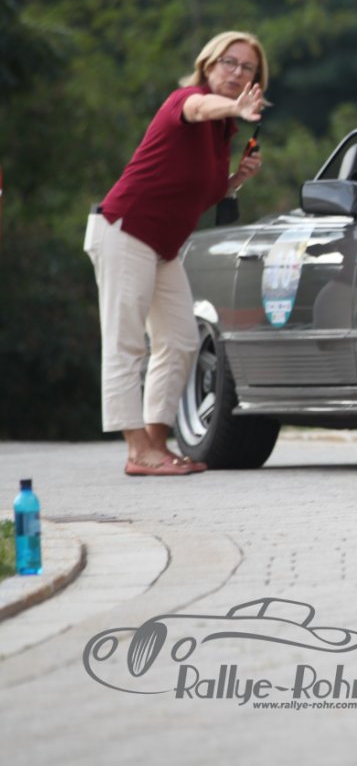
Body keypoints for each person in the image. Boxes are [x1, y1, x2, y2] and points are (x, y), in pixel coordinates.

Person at [85, 31, 268, 477]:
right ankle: (137, 450)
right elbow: (200, 107)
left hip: (163, 247)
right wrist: (235, 107)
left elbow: (199, 194)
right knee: (127, 342)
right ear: (208, 65)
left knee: (181, 340)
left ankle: (155, 444)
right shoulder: (186, 101)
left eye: (247, 68)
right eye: (229, 62)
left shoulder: (222, 134)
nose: (237, 72)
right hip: (125, 230)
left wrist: (236, 180)